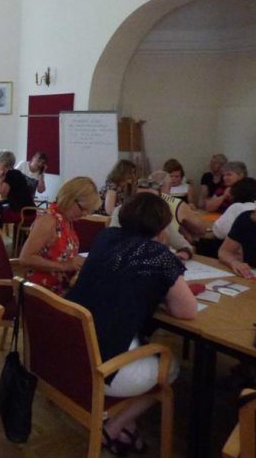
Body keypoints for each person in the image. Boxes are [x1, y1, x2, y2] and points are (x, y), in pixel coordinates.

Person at [65, 193, 197, 453]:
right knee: (170, 367)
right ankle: (113, 428)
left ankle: (128, 426)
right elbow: (187, 311)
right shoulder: (158, 255)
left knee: (138, 345)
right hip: (103, 366)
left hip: (72, 348)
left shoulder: (105, 237)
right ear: (162, 227)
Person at [19, 177, 100, 294]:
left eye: (88, 211)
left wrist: (76, 262)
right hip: (43, 293)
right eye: (83, 209)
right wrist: (65, 266)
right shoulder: (49, 220)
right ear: (70, 198)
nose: (84, 214)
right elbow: (25, 259)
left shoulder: (65, 220)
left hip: (60, 288)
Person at [110, 177, 193, 261]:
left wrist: (181, 256)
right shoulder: (121, 212)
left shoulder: (160, 215)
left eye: (152, 200)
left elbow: (185, 246)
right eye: (141, 199)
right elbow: (114, 246)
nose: (146, 205)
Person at [0, 150, 35, 223]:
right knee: (1, 206)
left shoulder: (10, 174)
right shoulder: (16, 173)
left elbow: (3, 195)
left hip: (21, 214)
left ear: (4, 163)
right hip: (30, 212)